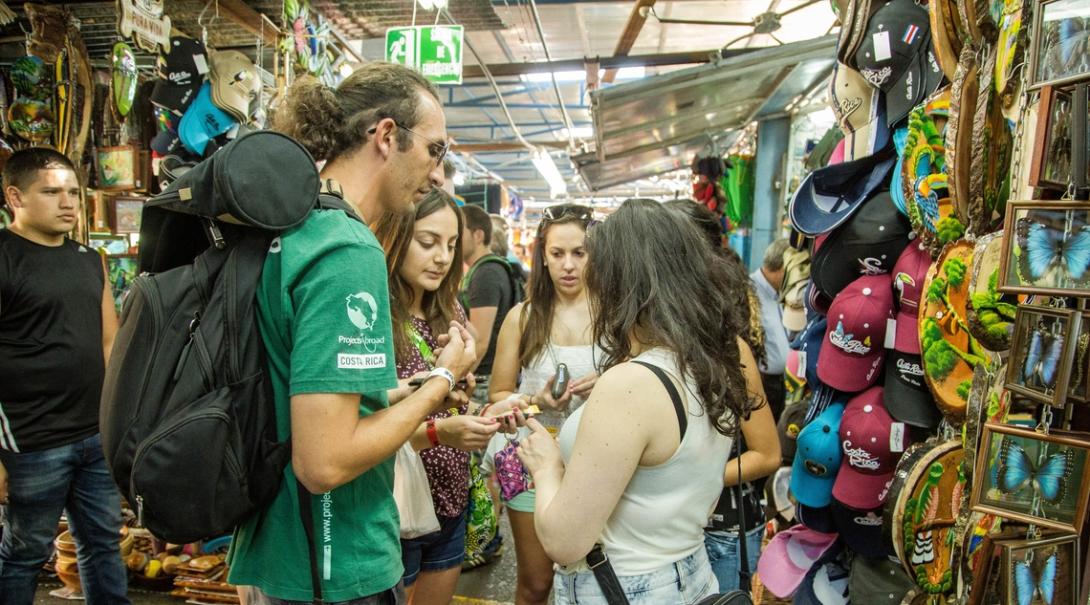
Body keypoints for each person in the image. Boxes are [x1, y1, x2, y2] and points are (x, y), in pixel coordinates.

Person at [226, 63, 478, 605]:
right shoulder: (347, 250)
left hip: (282, 552)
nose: (438, 174)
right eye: (435, 150)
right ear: (387, 136)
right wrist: (440, 379)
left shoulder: (292, 226)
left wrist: (394, 393)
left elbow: (299, 395)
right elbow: (325, 463)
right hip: (336, 564)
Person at [516, 199, 780, 604]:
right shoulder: (711, 359)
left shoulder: (631, 383)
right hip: (690, 574)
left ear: (620, 282)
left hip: (625, 586)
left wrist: (547, 465)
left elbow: (564, 542)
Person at [373, 188, 525, 604]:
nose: (442, 257)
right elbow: (365, 424)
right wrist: (442, 431)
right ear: (396, 237)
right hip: (393, 507)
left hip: (449, 499)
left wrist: (488, 411)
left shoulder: (452, 313)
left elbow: (454, 402)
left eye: (452, 244)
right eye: (428, 242)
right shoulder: (373, 317)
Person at [0, 148, 128, 604]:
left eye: (73, 192)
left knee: (102, 545)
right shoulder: (4, 258)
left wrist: (118, 422)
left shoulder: (90, 260)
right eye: (51, 192)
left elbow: (110, 344)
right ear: (14, 196)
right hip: (31, 442)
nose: (68, 202)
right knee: (24, 554)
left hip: (94, 436)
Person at [487, 203, 599, 605]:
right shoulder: (523, 317)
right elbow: (498, 394)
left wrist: (608, 385)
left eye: (579, 253)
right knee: (535, 584)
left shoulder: (617, 316)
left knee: (590, 584)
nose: (568, 265)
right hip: (532, 460)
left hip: (596, 463)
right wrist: (535, 399)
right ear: (543, 256)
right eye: (558, 254)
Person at [664, 200, 777, 591]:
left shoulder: (729, 347)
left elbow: (767, 454)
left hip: (722, 530)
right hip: (665, 534)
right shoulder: (645, 340)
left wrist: (692, 480)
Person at [460, 204, 517, 401]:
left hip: (482, 380)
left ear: (477, 235)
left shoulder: (486, 274)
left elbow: (480, 341)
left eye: (460, 231)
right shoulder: (488, 270)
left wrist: (457, 382)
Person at [751, 238, 791, 420]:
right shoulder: (748, 291)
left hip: (784, 382)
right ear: (781, 268)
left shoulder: (783, 292)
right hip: (762, 383)